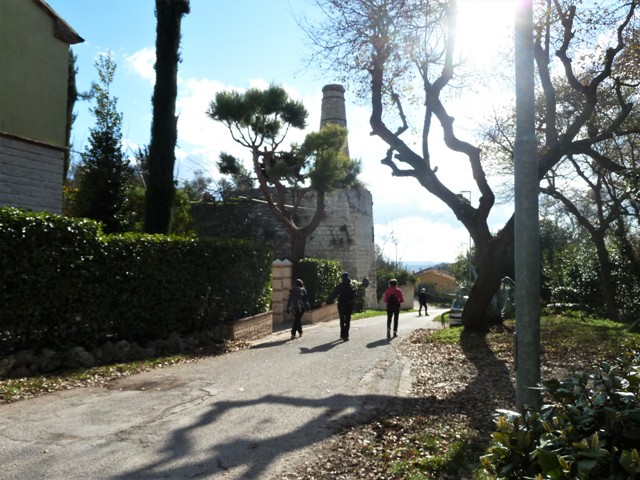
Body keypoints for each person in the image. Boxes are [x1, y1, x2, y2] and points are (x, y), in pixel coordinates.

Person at [324, 272, 356, 341]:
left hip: (341, 304)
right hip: (349, 305)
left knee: (342, 319)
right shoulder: (352, 286)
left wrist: (327, 302)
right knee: (347, 320)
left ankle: (342, 334)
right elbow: (354, 296)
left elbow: (333, 294)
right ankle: (346, 335)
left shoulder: (340, 286)